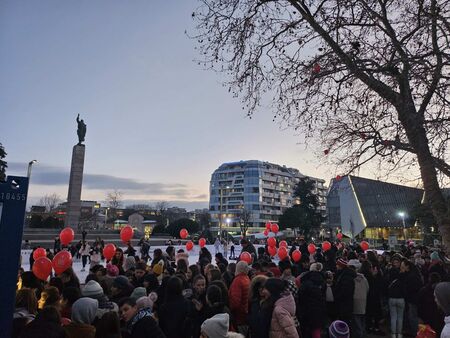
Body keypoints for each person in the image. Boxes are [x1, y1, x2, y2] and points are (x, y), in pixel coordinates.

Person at [297, 263, 326, 338]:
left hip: (306, 311)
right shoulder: (323, 282)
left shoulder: (304, 282)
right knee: (316, 330)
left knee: (307, 332)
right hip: (319, 310)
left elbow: (300, 297)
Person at [229, 261, 251, 335]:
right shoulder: (247, 279)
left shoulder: (237, 281)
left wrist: (228, 309)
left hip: (239, 317)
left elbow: (235, 302)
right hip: (245, 315)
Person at [333, 258, 356, 326]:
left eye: (337, 265)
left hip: (344, 305)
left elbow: (345, 291)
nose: (336, 266)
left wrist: (337, 296)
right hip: (345, 304)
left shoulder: (346, 277)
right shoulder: (343, 274)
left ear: (340, 266)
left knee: (345, 323)